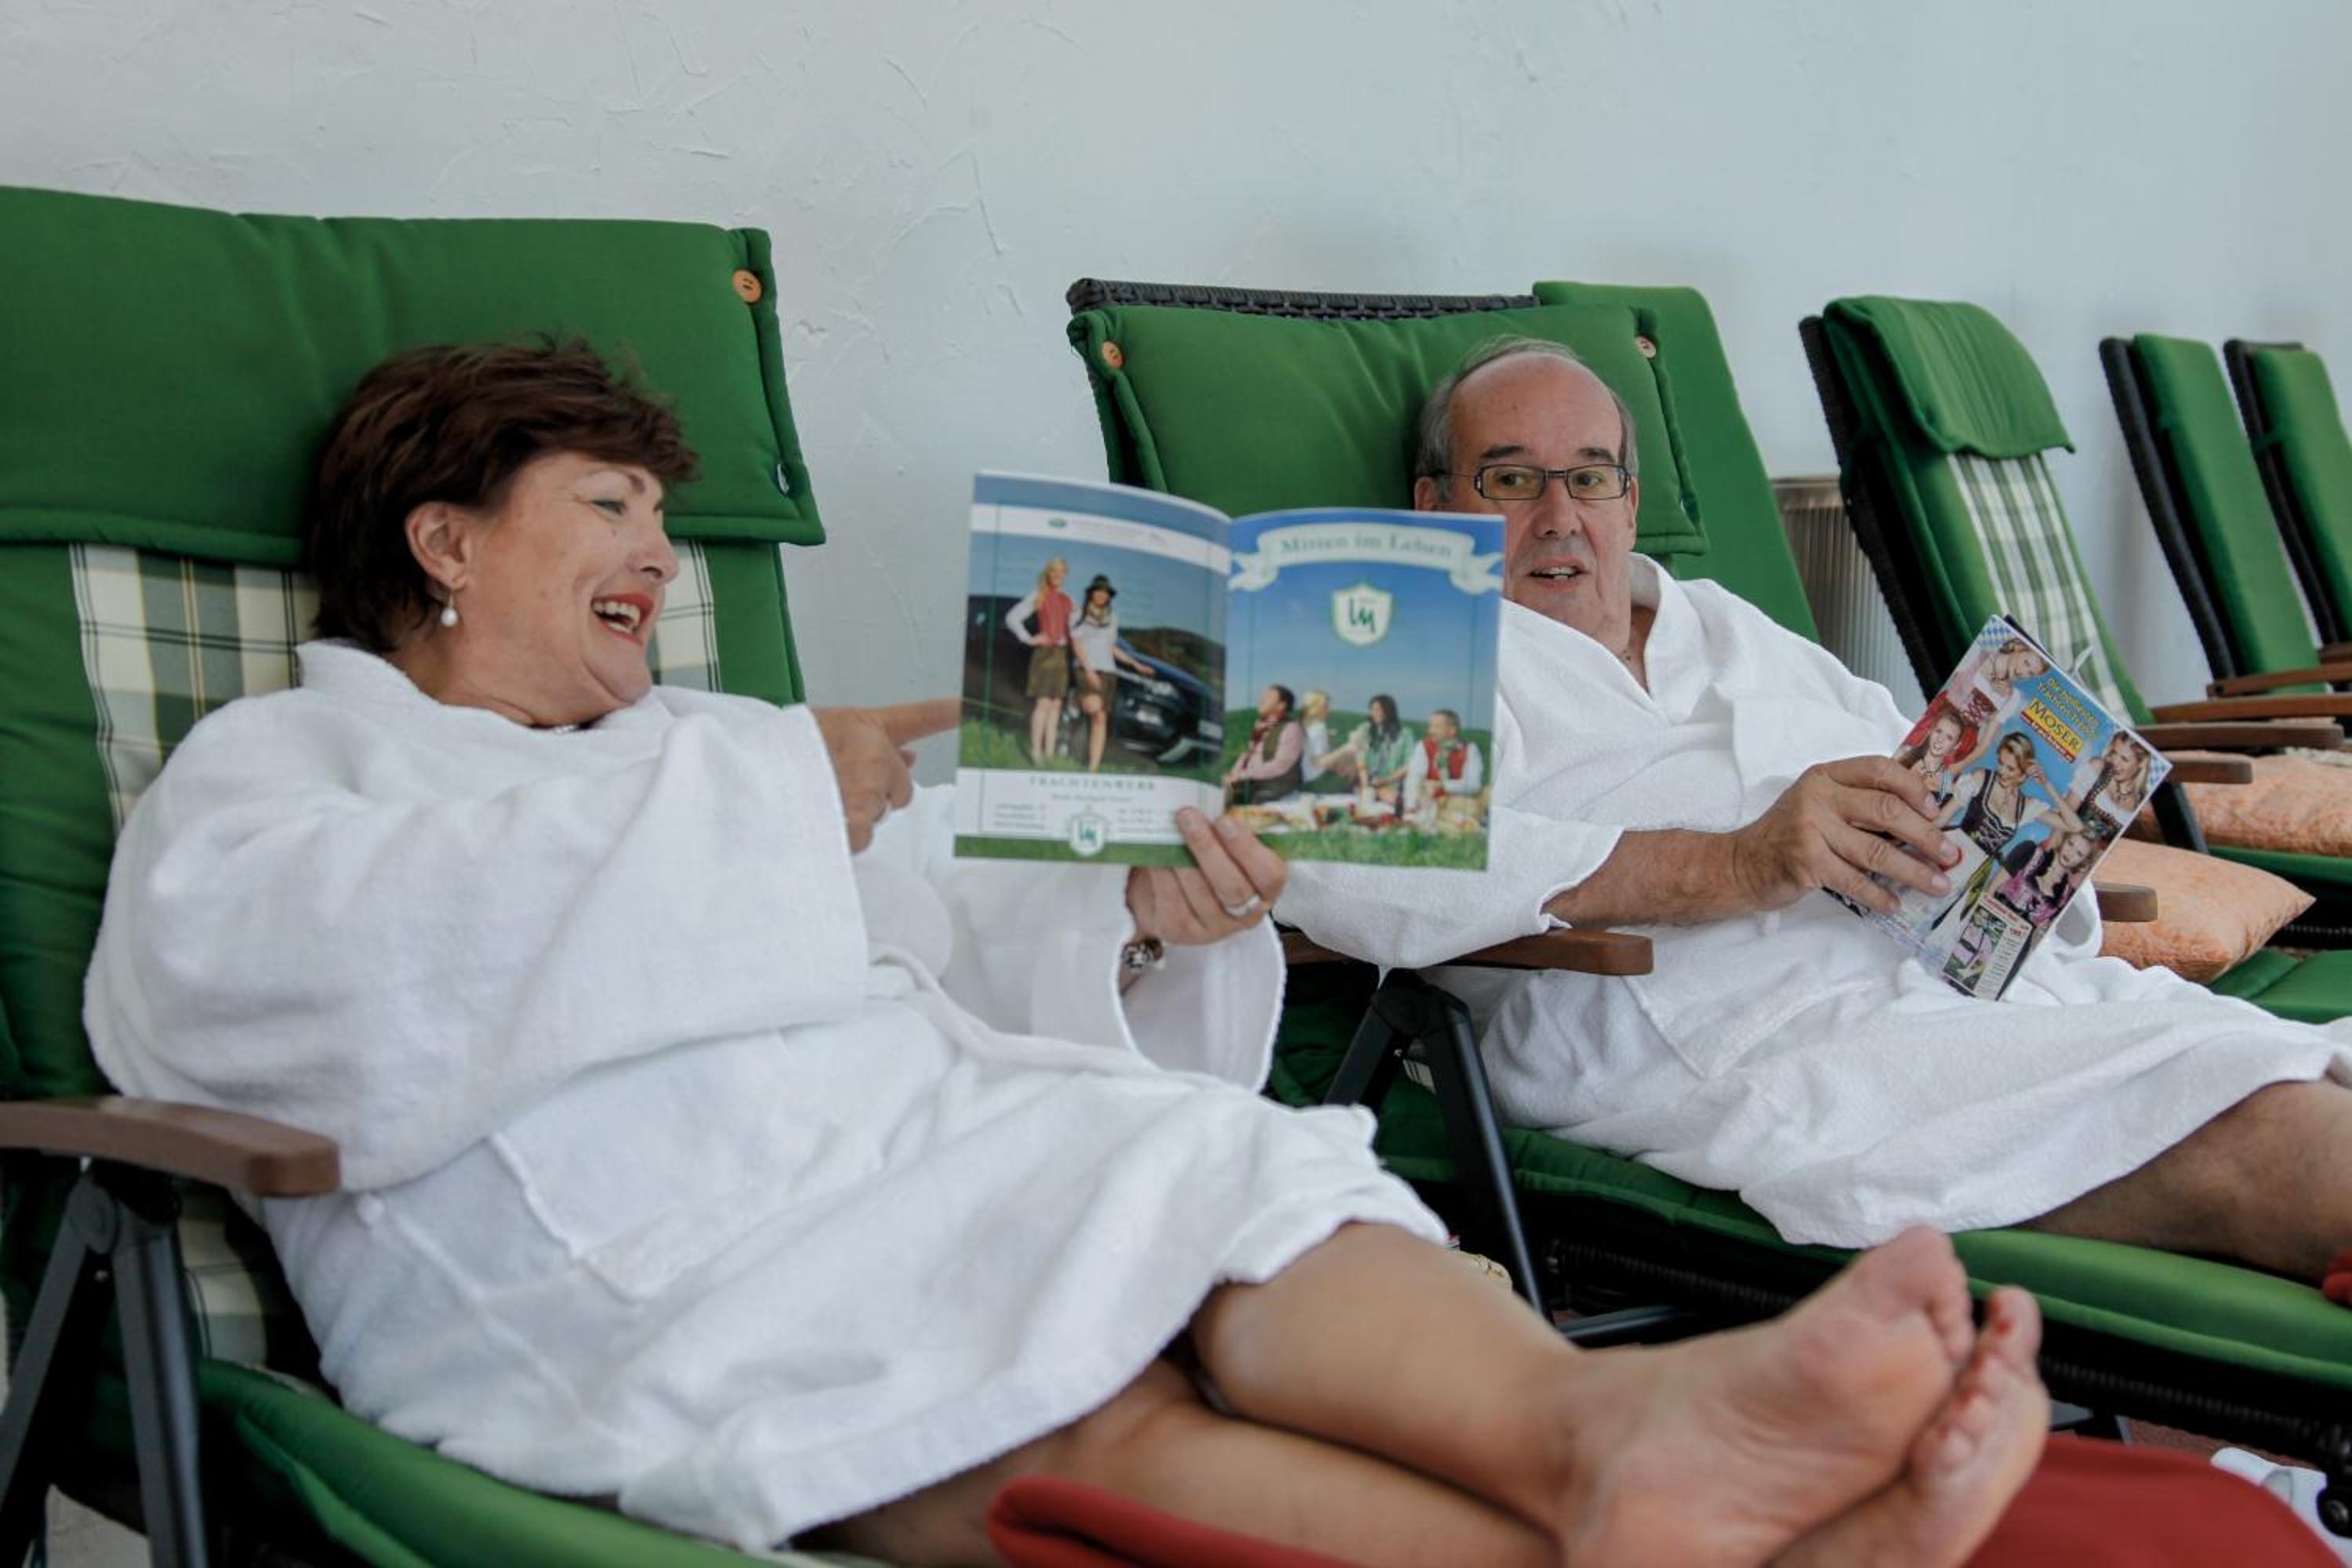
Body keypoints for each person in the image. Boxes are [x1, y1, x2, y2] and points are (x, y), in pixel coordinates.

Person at [78, 337, 2072, 1567]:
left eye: (664, 518)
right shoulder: (292, 765)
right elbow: (248, 992)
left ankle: (1605, 1432)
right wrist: (769, 796)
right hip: (629, 1227)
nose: (663, 558)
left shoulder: (697, 739)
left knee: (1230, 1172)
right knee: (1045, 1398)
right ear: (441, 540)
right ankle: (1659, 1539)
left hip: (903, 1121)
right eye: (608, 505)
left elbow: (948, 939)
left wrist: (1132, 917)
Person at [1280, 333, 2352, 1288]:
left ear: (1630, 503)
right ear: (1434, 509)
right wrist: (1733, 865)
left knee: (2294, 1062)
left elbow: (1910, 772)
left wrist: (2001, 848)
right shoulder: (1402, 642)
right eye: (1511, 478)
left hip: (1972, 989)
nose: (1560, 516)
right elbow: (1334, 860)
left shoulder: (1728, 626)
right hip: (1768, 1048)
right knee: (2259, 1127)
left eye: (1591, 477)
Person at [1067, 572, 1155, 772]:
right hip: (1086, 669)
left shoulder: (1112, 618)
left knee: (1101, 719)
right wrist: (1089, 671)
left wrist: (1136, 664)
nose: (1102, 595)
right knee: (1093, 705)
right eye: (1098, 591)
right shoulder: (1078, 615)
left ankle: (1093, 768)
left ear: (1109, 596)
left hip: (1109, 672)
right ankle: (1075, 701)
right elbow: (1076, 645)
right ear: (1091, 593)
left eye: (1106, 592)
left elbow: (1112, 648)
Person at [1006, 557, 1075, 764]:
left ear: (1066, 575)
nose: (1057, 575)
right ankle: (1036, 752)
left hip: (1062, 655)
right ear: (1048, 573)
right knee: (1043, 703)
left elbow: (1078, 627)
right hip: (1045, 654)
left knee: (1056, 705)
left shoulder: (1069, 600)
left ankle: (1049, 754)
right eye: (1054, 571)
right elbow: (1012, 618)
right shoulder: (1039, 595)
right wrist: (1028, 638)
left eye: (1061, 571)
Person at [1993, 827, 2103, 935]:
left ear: (2083, 862)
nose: (2070, 854)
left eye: (2079, 854)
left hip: (2015, 942)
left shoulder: (2066, 896)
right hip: (1990, 919)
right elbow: (1993, 886)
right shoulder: (2030, 851)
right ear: (2064, 840)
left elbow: (2039, 933)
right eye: (2070, 844)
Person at [1316, 691, 1416, 804]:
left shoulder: (1406, 734)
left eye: (1378, 709)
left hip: (1391, 784)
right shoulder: (1364, 729)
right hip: (1364, 782)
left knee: (1392, 797)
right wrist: (1366, 786)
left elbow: (1409, 764)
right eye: (1372, 709)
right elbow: (1361, 760)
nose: (1375, 713)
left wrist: (1386, 780)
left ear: (1389, 710)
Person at [1225, 683, 1305, 807]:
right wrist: (1234, 773)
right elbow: (1247, 754)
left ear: (1281, 705)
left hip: (1275, 784)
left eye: (1268, 697)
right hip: (1251, 780)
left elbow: (1280, 765)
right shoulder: (1262, 725)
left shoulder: (1291, 728)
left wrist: (1242, 776)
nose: (1261, 700)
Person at [1406, 706, 1485, 811]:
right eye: (1430, 726)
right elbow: (1414, 777)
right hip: (1429, 799)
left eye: (1437, 727)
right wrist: (1411, 805)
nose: (1431, 731)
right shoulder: (1423, 747)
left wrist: (1442, 785)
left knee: (1472, 805)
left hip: (1457, 799)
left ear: (1452, 730)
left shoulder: (1470, 749)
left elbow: (1473, 784)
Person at [1298, 688, 1334, 788]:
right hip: (1315, 779)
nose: (1329, 710)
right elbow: (1317, 762)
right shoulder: (1319, 727)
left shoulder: (1302, 724)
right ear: (1316, 708)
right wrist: (1347, 749)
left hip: (1302, 777)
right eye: (1326, 707)